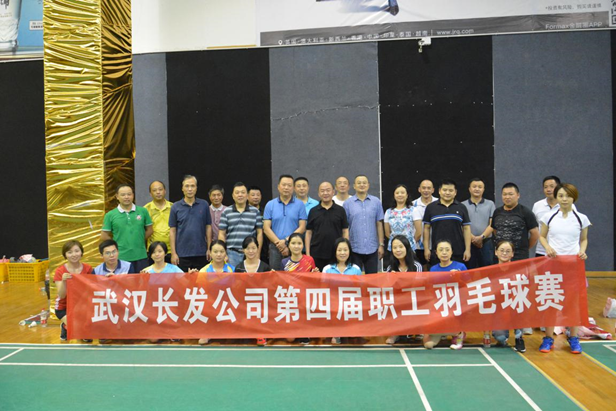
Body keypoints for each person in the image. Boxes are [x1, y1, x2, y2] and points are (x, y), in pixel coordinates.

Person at [538, 183, 590, 355]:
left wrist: (582, 251)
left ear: (574, 197)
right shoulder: (549, 217)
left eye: (568, 196)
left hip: (573, 266)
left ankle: (573, 338)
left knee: (573, 303)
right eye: (561, 196)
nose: (564, 199)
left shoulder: (581, 218)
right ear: (556, 197)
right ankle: (548, 338)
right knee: (551, 301)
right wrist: (547, 248)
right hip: (553, 265)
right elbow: (542, 236)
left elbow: (584, 239)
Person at [424, 240, 467, 350]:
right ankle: (445, 332)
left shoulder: (461, 267)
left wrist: (458, 277)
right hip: (440, 304)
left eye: (447, 250)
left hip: (456, 304)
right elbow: (431, 289)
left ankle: (458, 333)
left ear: (452, 252)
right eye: (441, 250)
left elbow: (468, 286)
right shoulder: (433, 269)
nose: (444, 252)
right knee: (428, 344)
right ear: (436, 253)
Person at [101, 184, 153, 272]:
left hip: (141, 256)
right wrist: (117, 243)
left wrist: (138, 239)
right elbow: (104, 236)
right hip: (121, 257)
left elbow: (150, 230)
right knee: (123, 281)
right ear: (117, 196)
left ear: (133, 195)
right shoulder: (110, 215)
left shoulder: (143, 211)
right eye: (123, 195)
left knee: (142, 280)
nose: (126, 197)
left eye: (129, 194)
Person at [169, 175, 212, 272]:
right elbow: (172, 231)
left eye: (192, 186)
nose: (190, 189)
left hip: (201, 253)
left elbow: (208, 227)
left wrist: (209, 248)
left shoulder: (204, 205)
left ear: (196, 188)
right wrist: (173, 253)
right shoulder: (175, 207)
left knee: (201, 280)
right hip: (182, 254)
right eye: (187, 186)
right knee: (183, 281)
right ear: (182, 188)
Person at [322, 238, 362, 344]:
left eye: (345, 250)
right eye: (339, 250)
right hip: (333, 302)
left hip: (350, 302)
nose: (342, 253)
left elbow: (360, 290)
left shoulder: (356, 269)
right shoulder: (327, 269)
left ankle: (348, 327)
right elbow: (323, 290)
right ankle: (336, 332)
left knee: (353, 335)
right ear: (335, 252)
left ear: (349, 251)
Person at [422, 179, 471, 266]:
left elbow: (466, 229)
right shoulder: (430, 207)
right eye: (444, 190)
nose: (447, 193)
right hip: (438, 252)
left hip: (458, 251)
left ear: (455, 192)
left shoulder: (461, 207)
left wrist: (467, 249)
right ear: (439, 191)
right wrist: (426, 249)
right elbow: (426, 228)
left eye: (451, 190)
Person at [263, 175, 307, 270]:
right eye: (284, 185)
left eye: (289, 185)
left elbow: (302, 227)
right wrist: (279, 244)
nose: (286, 187)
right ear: (278, 186)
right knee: (275, 275)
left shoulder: (300, 204)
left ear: (293, 188)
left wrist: (286, 241)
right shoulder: (270, 204)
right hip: (275, 247)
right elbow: (266, 228)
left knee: (294, 276)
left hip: (294, 247)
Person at [234, 236, 271, 347]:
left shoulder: (265, 267)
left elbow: (269, 288)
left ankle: (261, 333)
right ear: (243, 250)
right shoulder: (239, 267)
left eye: (253, 248)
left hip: (260, 303)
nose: (251, 251)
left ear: (258, 248)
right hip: (244, 303)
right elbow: (236, 288)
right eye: (248, 248)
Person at [385, 235, 422, 345]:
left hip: (413, 299)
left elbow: (419, 286)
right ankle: (395, 333)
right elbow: (387, 288)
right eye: (395, 247)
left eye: (401, 247)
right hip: (397, 299)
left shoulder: (416, 266)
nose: (398, 250)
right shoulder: (390, 268)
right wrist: (391, 280)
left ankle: (416, 329)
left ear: (407, 248)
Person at [343, 175, 385, 274]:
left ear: (368, 185)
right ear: (354, 186)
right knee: (354, 278)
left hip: (372, 248)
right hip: (354, 248)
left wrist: (381, 245)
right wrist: (346, 246)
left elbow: (379, 224)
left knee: (372, 278)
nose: (362, 185)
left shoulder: (376, 202)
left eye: (364, 183)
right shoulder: (347, 203)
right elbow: (345, 227)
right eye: (359, 183)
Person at [54, 240, 93, 341]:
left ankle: (76, 325)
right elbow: (62, 295)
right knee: (78, 329)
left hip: (83, 307)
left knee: (87, 336)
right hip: (64, 308)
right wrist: (64, 281)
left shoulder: (88, 269)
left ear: (81, 252)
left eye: (76, 251)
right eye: (70, 252)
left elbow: (94, 288)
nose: (74, 255)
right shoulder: (60, 271)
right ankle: (66, 326)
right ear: (65, 255)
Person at [491, 240, 526, 353]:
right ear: (496, 252)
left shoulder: (519, 270)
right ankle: (502, 337)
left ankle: (519, 337)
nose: (504, 253)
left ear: (512, 254)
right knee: (500, 337)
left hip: (515, 306)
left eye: (508, 251)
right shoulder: (490, 271)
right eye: (501, 250)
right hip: (499, 309)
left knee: (520, 306)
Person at [196, 240, 234, 346]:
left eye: (221, 251)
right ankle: (207, 332)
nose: (218, 254)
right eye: (215, 252)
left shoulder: (232, 270)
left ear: (225, 253)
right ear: (210, 253)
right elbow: (200, 291)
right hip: (210, 303)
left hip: (227, 303)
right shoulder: (204, 271)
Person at [305, 181, 349, 270]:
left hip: (336, 254)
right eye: (322, 191)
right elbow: (308, 233)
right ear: (318, 193)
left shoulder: (340, 210)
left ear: (333, 192)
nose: (325, 193)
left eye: (328, 190)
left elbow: (345, 231)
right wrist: (308, 254)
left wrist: (345, 250)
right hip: (316, 254)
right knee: (317, 278)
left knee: (335, 278)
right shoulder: (313, 211)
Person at [218, 182, 264, 267]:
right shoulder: (226, 212)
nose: (240, 195)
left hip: (250, 252)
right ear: (233, 196)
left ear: (247, 195)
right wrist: (223, 253)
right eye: (237, 192)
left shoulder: (255, 212)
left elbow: (259, 233)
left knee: (250, 275)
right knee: (232, 275)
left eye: (243, 192)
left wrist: (258, 252)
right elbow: (221, 234)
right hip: (232, 253)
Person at [491, 183, 539, 262]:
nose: (507, 197)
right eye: (504, 194)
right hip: (500, 257)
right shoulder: (497, 212)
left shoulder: (525, 212)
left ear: (518, 195)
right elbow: (495, 231)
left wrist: (524, 248)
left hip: (519, 256)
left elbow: (535, 234)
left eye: (510, 194)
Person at [462, 178, 495, 268]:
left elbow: (492, 224)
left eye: (480, 187)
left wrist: (481, 237)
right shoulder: (462, 205)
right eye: (474, 186)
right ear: (469, 189)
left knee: (487, 268)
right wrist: (473, 238)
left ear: (483, 189)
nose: (477, 189)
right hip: (468, 242)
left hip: (486, 242)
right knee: (469, 268)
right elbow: (461, 225)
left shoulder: (490, 204)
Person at [384, 184, 416, 268]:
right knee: (394, 269)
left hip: (409, 247)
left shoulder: (413, 210)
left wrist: (409, 243)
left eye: (402, 192)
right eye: (397, 193)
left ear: (407, 195)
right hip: (394, 248)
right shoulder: (388, 212)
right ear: (394, 195)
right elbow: (387, 233)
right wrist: (397, 244)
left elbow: (419, 232)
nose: (400, 195)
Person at [532, 176, 563, 257]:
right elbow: (534, 228)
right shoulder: (537, 205)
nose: (548, 189)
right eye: (545, 187)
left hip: (562, 251)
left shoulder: (567, 205)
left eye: (552, 186)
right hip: (542, 251)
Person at [412, 180, 438, 267]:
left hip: (436, 244)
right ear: (419, 189)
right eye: (423, 188)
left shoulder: (439, 203)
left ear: (433, 190)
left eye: (428, 188)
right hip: (418, 246)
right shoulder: (412, 205)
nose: (426, 190)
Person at [144, 181, 173, 257]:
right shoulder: (145, 209)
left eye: (160, 189)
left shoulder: (173, 207)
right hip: (153, 251)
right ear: (150, 193)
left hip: (171, 250)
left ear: (165, 191)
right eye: (154, 190)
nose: (158, 192)